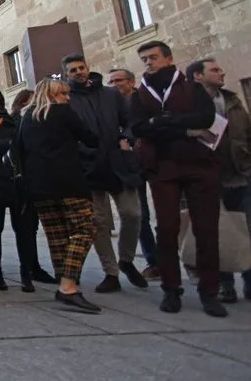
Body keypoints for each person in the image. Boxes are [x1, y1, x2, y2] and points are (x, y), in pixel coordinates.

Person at [129, 41, 226, 317]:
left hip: (198, 165)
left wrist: (161, 122)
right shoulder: (140, 95)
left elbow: (205, 118)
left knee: (206, 229)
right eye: (144, 59)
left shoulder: (192, 88)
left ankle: (210, 291)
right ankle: (171, 289)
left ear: (169, 59)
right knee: (167, 229)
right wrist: (183, 127)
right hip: (162, 167)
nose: (149, 62)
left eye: (153, 57)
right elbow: (138, 127)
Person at [62, 54, 148, 292]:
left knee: (132, 213)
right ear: (67, 75)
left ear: (87, 68)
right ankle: (111, 271)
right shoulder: (67, 100)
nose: (78, 72)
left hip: (118, 162)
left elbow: (130, 121)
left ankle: (126, 259)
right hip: (88, 166)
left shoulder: (111, 95)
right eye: (73, 70)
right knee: (99, 223)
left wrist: (126, 138)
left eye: (81, 68)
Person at [15, 78, 101, 313]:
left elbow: (19, 151)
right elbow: (90, 138)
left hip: (39, 187)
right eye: (63, 93)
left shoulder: (26, 118)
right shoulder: (63, 112)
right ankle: (68, 286)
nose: (67, 97)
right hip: (67, 182)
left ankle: (66, 285)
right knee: (85, 229)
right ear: (52, 95)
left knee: (58, 237)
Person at [0, 86, 55, 293]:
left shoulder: (15, 121)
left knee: (25, 230)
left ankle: (26, 273)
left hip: (18, 180)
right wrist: (10, 143)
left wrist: (2, 145)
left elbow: (27, 145)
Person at [186, 58, 251, 303]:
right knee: (217, 230)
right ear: (198, 76)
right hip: (208, 176)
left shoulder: (232, 100)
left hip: (241, 174)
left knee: (247, 228)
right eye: (214, 70)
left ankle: (250, 281)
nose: (221, 72)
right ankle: (224, 284)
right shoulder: (187, 104)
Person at [107, 68, 160, 280]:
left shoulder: (144, 102)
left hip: (153, 160)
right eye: (111, 81)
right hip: (130, 164)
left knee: (164, 212)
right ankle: (153, 261)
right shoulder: (112, 106)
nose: (114, 85)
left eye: (118, 80)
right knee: (140, 214)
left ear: (131, 82)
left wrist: (127, 139)